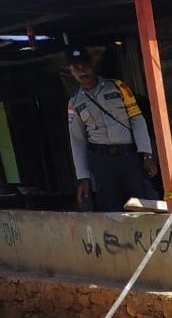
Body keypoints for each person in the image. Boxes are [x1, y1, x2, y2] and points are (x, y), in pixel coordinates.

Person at [65, 46, 158, 211]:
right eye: (76, 69)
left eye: (85, 66)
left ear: (93, 65)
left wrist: (147, 155)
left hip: (128, 156)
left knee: (143, 204)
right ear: (71, 72)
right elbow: (77, 140)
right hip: (102, 162)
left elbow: (137, 120)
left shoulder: (118, 88)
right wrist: (83, 177)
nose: (82, 72)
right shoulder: (74, 103)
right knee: (110, 209)